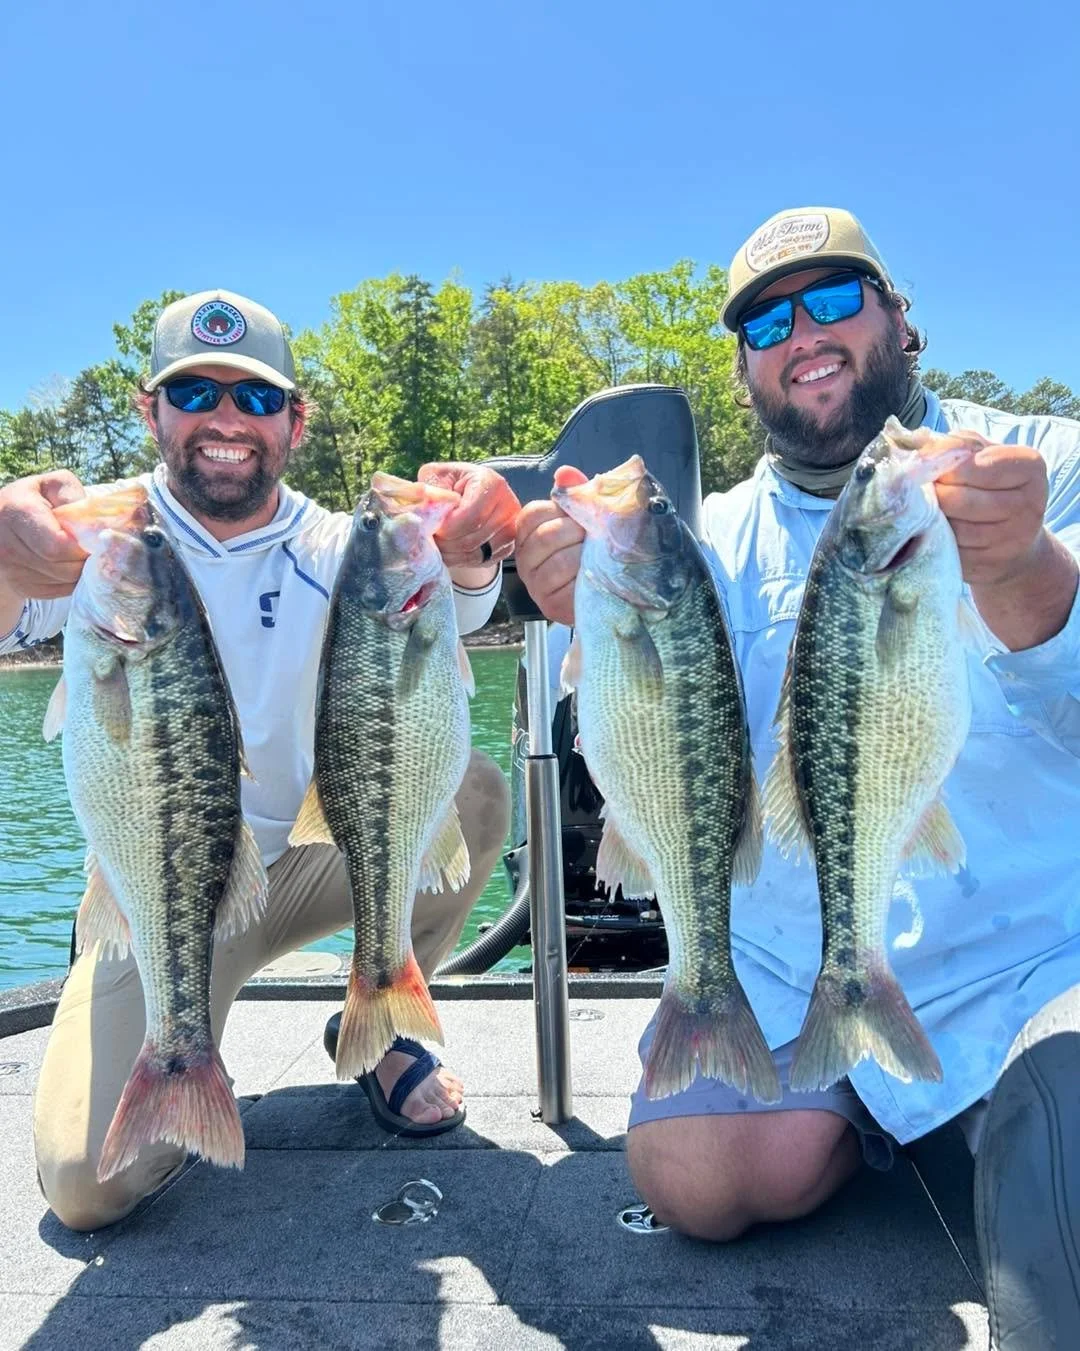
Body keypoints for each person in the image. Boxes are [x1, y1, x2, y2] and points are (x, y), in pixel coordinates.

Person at [515, 209, 1080, 1343]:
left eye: (833, 298)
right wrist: (580, 608)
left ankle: (969, 1112)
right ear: (744, 370)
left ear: (898, 318)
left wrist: (1028, 572)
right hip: (796, 961)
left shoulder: (1043, 466)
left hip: (1033, 966)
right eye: (768, 318)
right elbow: (646, 745)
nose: (802, 332)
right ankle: (875, 1104)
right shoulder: (707, 533)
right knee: (692, 1178)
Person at [0, 289, 521, 1232]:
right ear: (149, 410)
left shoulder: (340, 545)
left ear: (295, 419)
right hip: (162, 892)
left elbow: (459, 608)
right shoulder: (90, 544)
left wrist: (474, 547)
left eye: (256, 397)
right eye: (194, 392)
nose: (226, 420)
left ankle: (384, 1020)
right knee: (85, 1187)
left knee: (473, 791)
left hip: (323, 865)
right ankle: (187, 1046)